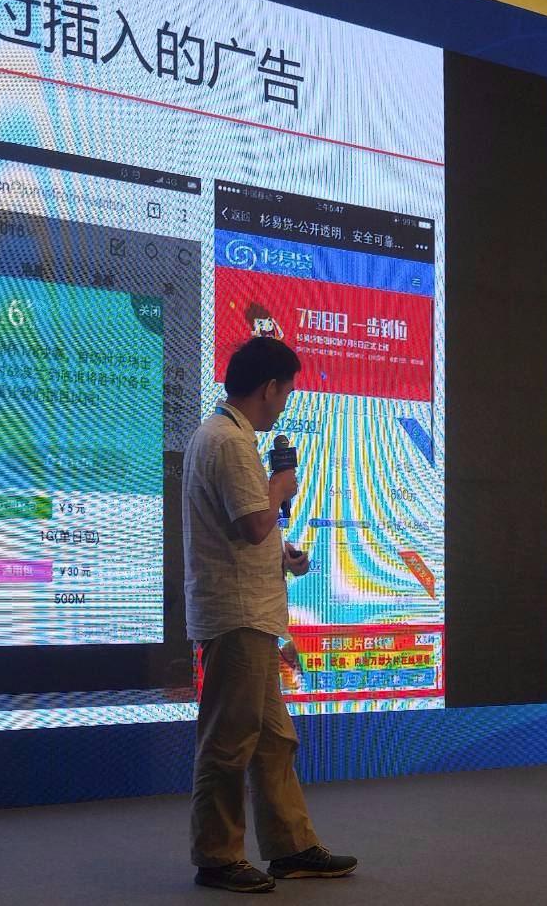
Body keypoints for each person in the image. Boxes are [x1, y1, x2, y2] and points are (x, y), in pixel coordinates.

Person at [184, 336, 357, 893]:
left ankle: (290, 846)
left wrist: (283, 556)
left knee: (275, 739)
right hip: (238, 617)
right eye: (286, 393)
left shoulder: (225, 436)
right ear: (269, 388)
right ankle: (217, 857)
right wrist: (281, 485)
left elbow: (241, 530)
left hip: (252, 615)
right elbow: (254, 522)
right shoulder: (229, 441)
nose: (284, 406)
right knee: (229, 740)